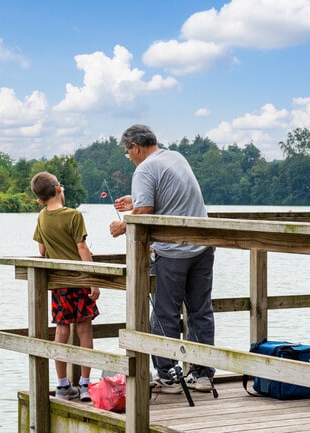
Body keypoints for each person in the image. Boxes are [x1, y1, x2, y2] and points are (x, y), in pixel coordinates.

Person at [109, 124, 216, 393]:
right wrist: (134, 202)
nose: (129, 156)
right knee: (199, 310)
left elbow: (146, 211)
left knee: (164, 313)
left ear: (135, 146)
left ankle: (168, 375)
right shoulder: (175, 157)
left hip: (172, 251)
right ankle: (202, 375)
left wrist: (124, 225)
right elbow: (168, 198)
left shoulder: (144, 168)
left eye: (127, 151)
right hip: (202, 246)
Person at [31, 171, 100, 402]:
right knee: (84, 331)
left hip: (59, 285)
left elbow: (41, 251)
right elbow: (81, 248)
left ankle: (62, 385)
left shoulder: (41, 216)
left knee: (61, 331)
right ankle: (85, 385)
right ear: (59, 188)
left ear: (40, 199)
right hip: (79, 282)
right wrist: (94, 280)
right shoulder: (74, 215)